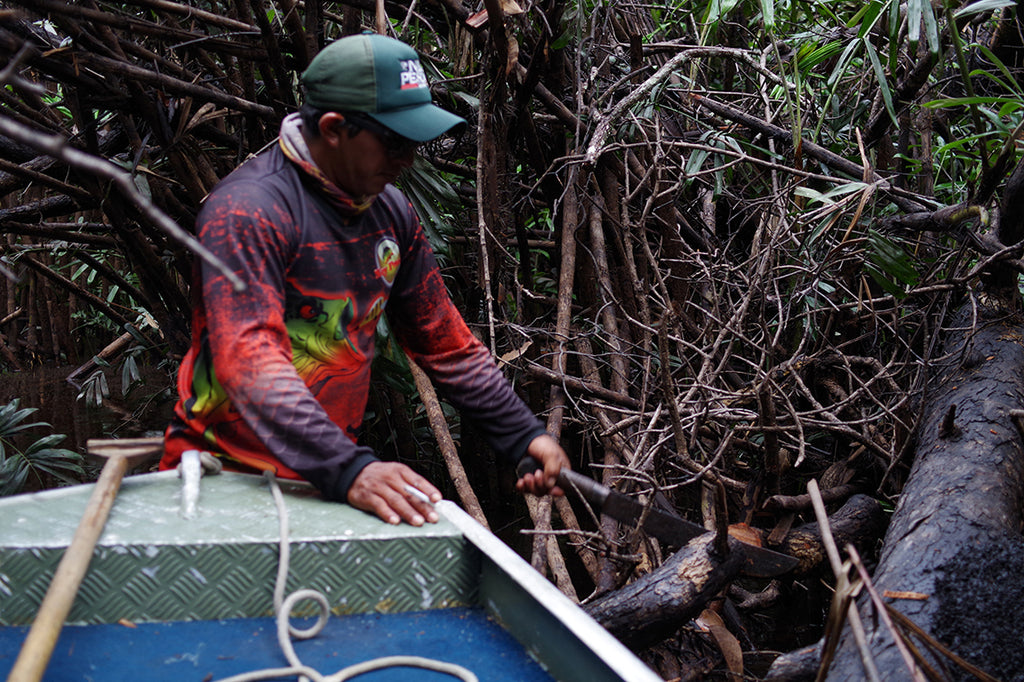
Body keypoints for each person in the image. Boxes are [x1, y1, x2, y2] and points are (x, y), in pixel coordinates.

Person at [159, 33, 569, 526]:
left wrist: (524, 434)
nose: (408, 160)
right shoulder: (248, 212)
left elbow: (444, 345)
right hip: (224, 476)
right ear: (333, 128)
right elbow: (250, 362)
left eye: (414, 141)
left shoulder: (390, 211)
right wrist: (351, 469)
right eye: (393, 143)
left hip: (325, 481)